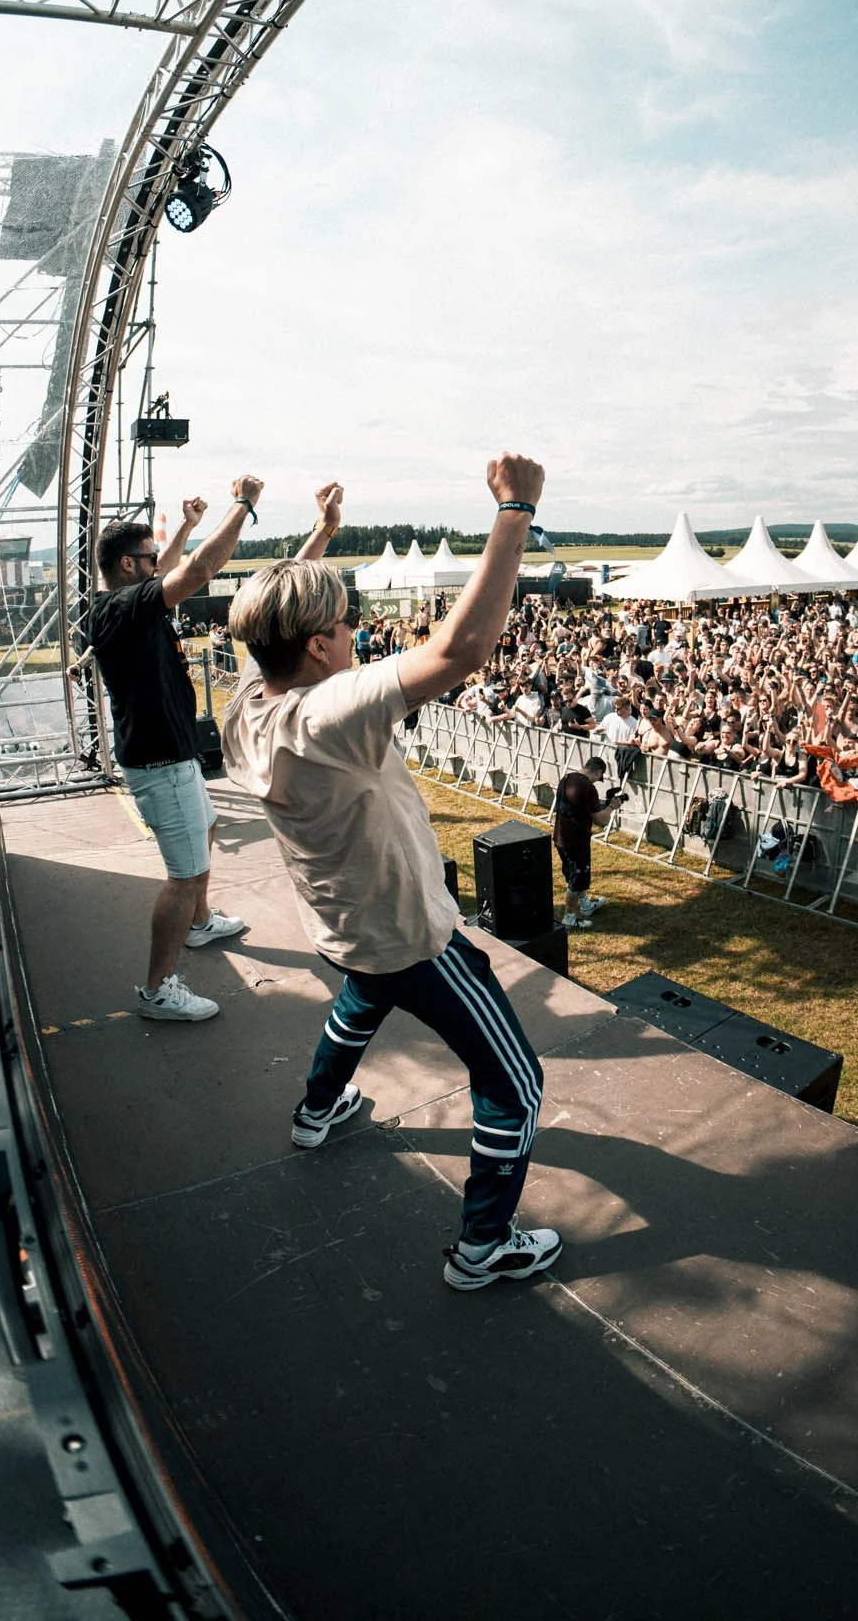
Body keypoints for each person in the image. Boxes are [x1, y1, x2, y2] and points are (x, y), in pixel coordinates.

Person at [221, 453, 561, 1295]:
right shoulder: (327, 714)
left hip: (343, 927)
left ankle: (316, 1112)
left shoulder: (247, 702)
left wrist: (323, 534)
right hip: (413, 936)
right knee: (516, 1085)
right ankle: (484, 1246)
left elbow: (270, 626)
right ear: (318, 645)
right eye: (346, 625)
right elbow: (461, 648)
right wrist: (515, 509)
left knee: (360, 1002)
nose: (355, 633)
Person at [82, 476, 338, 1022]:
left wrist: (188, 527)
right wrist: (242, 506)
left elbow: (172, 565)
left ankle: (199, 923)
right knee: (182, 877)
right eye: (149, 558)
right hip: (160, 763)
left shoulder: (126, 604)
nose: (158, 563)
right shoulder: (121, 609)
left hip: (170, 757)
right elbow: (197, 571)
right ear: (127, 565)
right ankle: (158, 989)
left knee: (209, 827)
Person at [553, 754, 623, 930]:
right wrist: (611, 807)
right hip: (576, 841)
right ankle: (569, 917)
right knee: (577, 879)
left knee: (574, 874)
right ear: (598, 772)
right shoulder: (588, 788)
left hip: (561, 837)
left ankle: (585, 904)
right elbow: (600, 820)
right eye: (599, 777)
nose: (597, 781)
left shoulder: (566, 779)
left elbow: (576, 807)